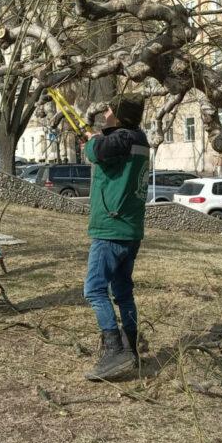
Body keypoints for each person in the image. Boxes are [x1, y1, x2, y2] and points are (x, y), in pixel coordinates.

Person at [81, 96, 151, 381]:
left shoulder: (120, 139)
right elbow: (107, 148)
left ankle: (114, 349)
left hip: (111, 229)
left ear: (121, 118)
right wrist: (98, 137)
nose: (105, 113)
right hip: (130, 229)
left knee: (94, 289)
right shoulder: (138, 139)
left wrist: (91, 140)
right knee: (122, 291)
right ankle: (131, 347)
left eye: (109, 111)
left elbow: (95, 151)